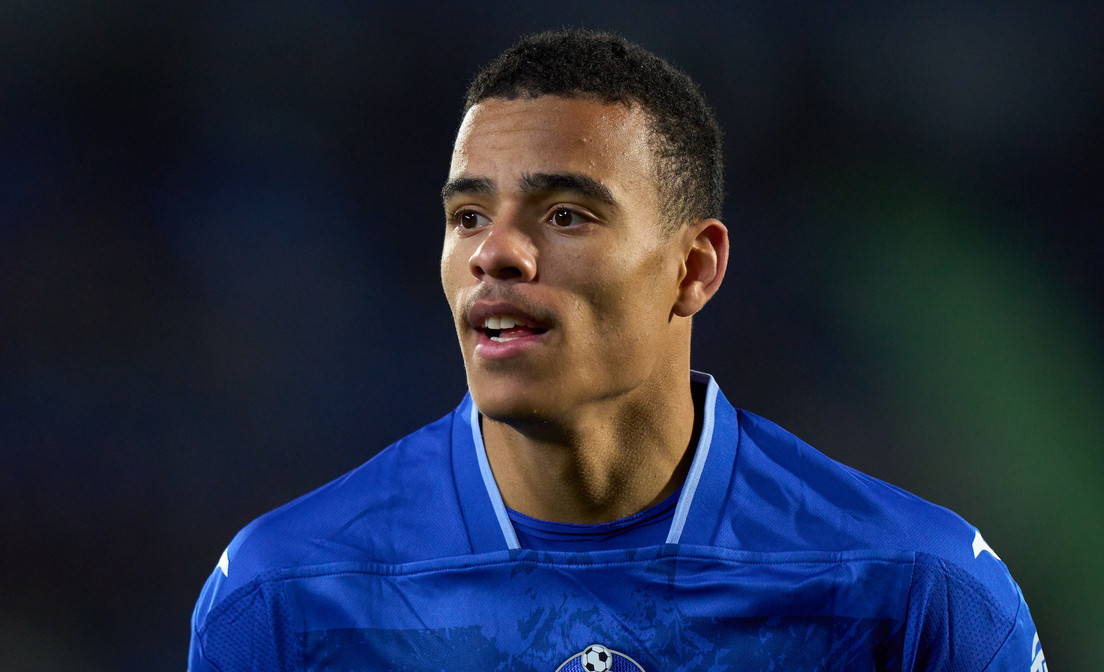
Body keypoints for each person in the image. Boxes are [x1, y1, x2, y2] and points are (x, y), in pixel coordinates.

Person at [189, 30, 1045, 672]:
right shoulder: (287, 599)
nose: (496, 253)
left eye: (566, 215)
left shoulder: (912, 591)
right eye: (468, 216)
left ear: (693, 268)